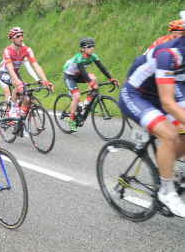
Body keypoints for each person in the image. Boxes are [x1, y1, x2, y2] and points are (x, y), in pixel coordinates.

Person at [119, 23, 185, 217]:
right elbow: (167, 102)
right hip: (137, 94)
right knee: (170, 135)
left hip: (167, 91)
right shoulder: (169, 54)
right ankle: (167, 190)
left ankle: (174, 166)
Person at [63, 37, 119, 132]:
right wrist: (91, 82)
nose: (92, 48)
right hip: (70, 76)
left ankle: (87, 103)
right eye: (89, 46)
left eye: (93, 46)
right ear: (83, 49)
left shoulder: (93, 56)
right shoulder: (79, 57)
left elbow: (102, 68)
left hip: (79, 74)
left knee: (94, 78)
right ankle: (71, 119)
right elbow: (83, 72)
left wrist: (111, 78)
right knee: (76, 96)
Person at [0, 26, 53, 119]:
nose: (21, 38)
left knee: (26, 99)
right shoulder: (7, 50)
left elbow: (36, 65)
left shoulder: (27, 50)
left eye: (22, 35)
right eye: (18, 36)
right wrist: (18, 82)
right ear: (12, 39)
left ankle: (20, 123)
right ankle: (12, 109)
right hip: (5, 73)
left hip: (16, 73)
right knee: (17, 84)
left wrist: (45, 81)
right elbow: (10, 69)